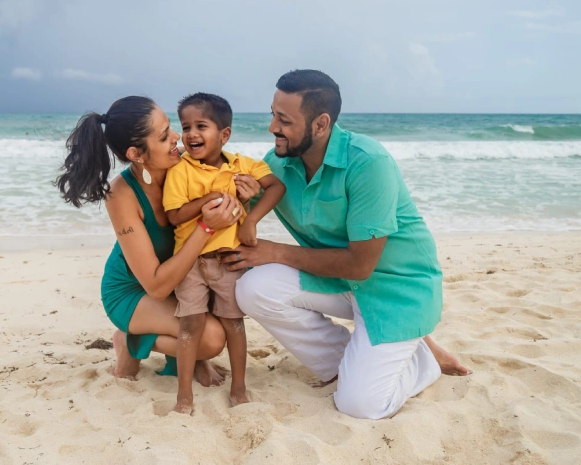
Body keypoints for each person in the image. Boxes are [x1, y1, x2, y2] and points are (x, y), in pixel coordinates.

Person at [219, 70, 469, 420]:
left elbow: (360, 266)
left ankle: (422, 362)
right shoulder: (276, 164)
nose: (272, 127)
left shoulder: (369, 162)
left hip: (396, 290)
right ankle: (354, 362)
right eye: (273, 114)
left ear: (320, 124)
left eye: (284, 120)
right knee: (253, 288)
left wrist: (274, 251)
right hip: (336, 281)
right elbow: (234, 213)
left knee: (360, 405)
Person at [56, 96, 243, 386]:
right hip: (134, 290)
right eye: (164, 136)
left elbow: (230, 175)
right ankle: (131, 339)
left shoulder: (186, 164)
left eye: (170, 128)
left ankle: (191, 357)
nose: (177, 138)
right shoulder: (122, 194)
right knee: (211, 340)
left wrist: (249, 189)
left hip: (183, 280)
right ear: (136, 154)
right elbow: (156, 285)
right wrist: (205, 227)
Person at [163, 93, 286, 413]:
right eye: (185, 126)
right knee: (190, 326)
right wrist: (209, 200)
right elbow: (174, 216)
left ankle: (239, 388)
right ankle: (184, 395)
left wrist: (251, 221)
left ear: (224, 134)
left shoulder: (243, 166)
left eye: (201, 126)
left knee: (234, 324)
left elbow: (276, 187)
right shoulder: (181, 170)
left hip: (229, 261)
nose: (190, 134)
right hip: (190, 263)